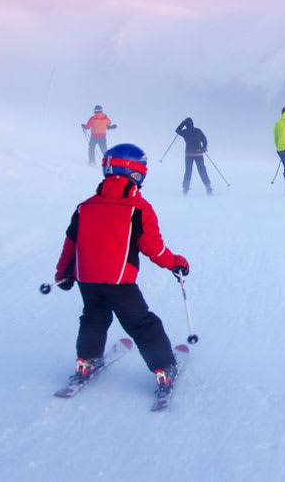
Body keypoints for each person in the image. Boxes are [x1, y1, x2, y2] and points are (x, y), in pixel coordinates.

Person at [53, 143, 191, 393]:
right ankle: (164, 368)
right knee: (142, 324)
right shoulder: (138, 209)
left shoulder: (85, 206)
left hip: (88, 280)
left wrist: (63, 273)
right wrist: (176, 263)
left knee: (93, 318)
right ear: (136, 174)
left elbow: (70, 244)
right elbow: (154, 249)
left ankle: (86, 360)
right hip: (120, 283)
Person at [175, 117, 212, 195]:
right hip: (199, 153)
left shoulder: (185, 132)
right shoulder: (198, 131)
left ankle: (185, 189)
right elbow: (204, 140)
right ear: (192, 123)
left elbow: (177, 130)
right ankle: (208, 187)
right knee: (202, 170)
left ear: (186, 125)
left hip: (189, 155)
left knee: (188, 171)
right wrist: (204, 147)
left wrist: (183, 123)